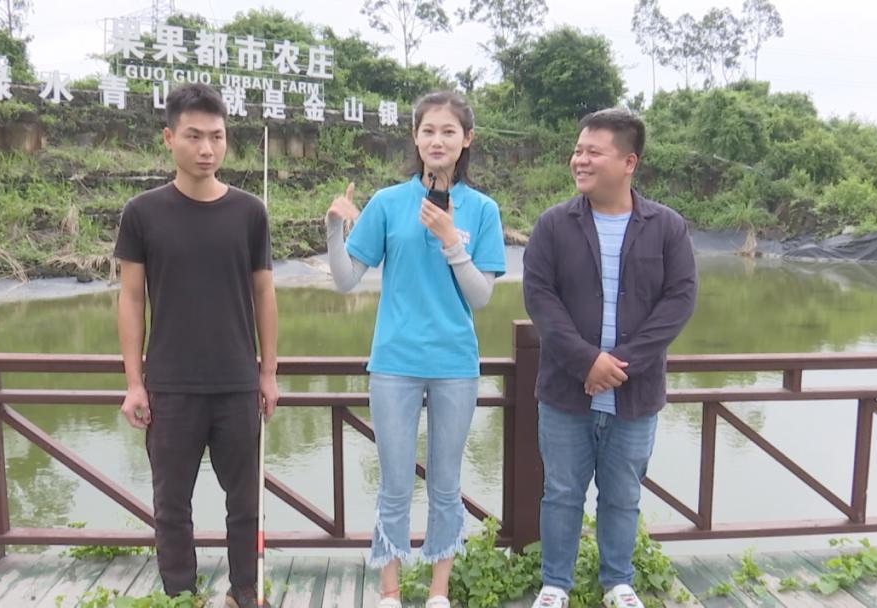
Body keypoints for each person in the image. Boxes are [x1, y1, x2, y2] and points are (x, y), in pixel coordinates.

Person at [324, 91, 506, 608]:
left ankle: (438, 592)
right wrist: (335, 227)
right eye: (428, 130)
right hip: (395, 363)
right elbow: (346, 281)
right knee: (395, 482)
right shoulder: (387, 203)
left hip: (454, 364)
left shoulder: (482, 209)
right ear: (415, 137)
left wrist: (452, 240)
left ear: (467, 140)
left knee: (446, 483)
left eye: (449, 131)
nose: (437, 140)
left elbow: (481, 296)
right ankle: (390, 591)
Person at [522, 109, 697, 608]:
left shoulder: (666, 227)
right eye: (578, 150)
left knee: (623, 495)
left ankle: (618, 581)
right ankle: (555, 584)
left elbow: (679, 301)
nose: (579, 160)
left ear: (628, 162)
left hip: (634, 394)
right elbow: (540, 298)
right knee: (561, 492)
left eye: (593, 152)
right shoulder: (554, 225)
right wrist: (586, 362)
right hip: (566, 391)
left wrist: (618, 364)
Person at [114, 83, 279, 608]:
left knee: (245, 503)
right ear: (169, 138)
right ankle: (180, 595)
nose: (207, 148)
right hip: (170, 385)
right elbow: (131, 299)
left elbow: (264, 294)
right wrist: (134, 383)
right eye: (194, 136)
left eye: (217, 137)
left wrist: (268, 373)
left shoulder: (250, 212)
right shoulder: (142, 212)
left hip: (237, 383)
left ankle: (245, 591)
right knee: (171, 506)